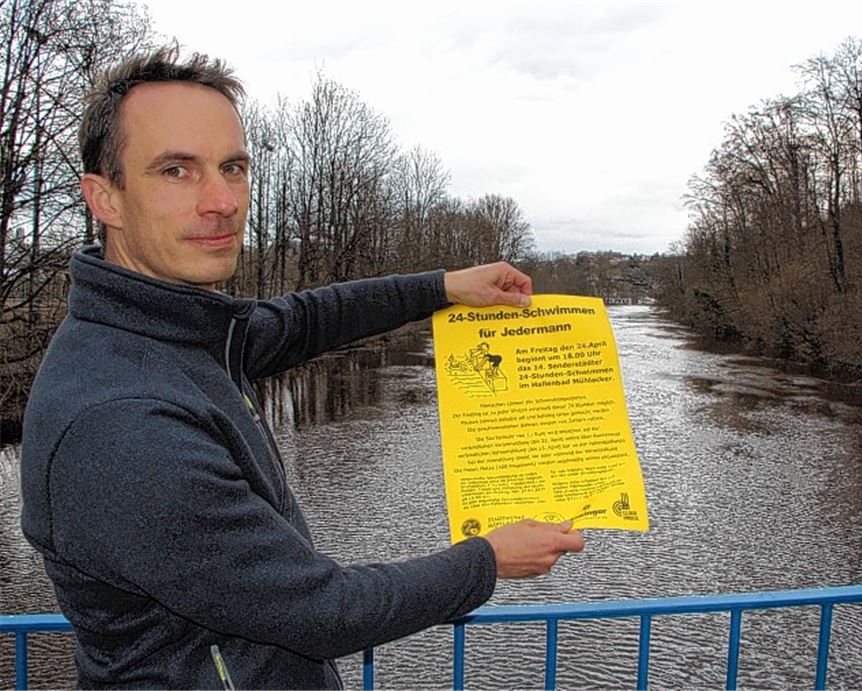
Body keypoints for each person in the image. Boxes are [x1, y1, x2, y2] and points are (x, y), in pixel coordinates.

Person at [19, 46, 584, 689]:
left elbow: (304, 321)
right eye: (176, 170)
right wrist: (486, 561)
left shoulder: (171, 336)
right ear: (106, 200)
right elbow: (321, 610)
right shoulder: (121, 424)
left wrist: (445, 287)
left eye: (233, 167)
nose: (222, 201)